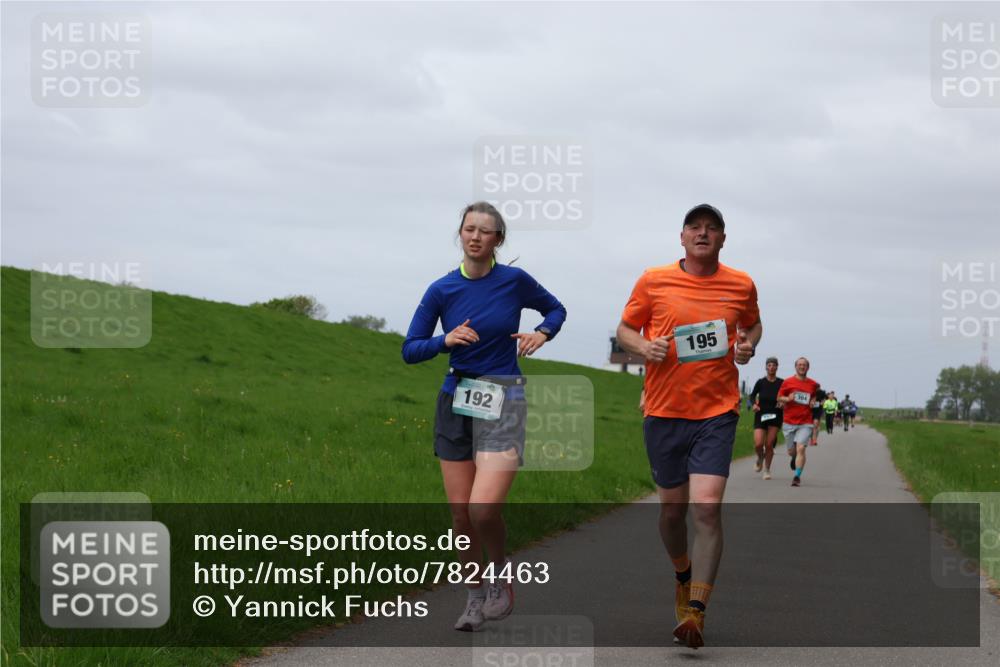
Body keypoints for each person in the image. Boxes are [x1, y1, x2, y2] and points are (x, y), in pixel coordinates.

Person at [402, 202, 567, 631]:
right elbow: (410, 348)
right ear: (460, 233)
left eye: (485, 231)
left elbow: (555, 309)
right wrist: (445, 340)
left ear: (498, 240)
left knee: (482, 509)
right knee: (460, 514)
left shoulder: (513, 281)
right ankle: (474, 598)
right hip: (455, 398)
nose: (476, 236)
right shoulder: (441, 289)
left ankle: (500, 578)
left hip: (504, 398)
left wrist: (541, 333)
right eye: (469, 229)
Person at [615, 203, 761, 649]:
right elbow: (625, 329)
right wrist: (645, 346)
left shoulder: (741, 284)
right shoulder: (654, 280)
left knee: (707, 507)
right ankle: (682, 572)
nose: (703, 234)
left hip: (717, 412)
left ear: (722, 239)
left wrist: (746, 347)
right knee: (673, 512)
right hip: (664, 411)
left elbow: (752, 327)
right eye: (695, 227)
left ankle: (695, 612)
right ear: (681, 237)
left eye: (712, 229)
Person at [777, 358, 820, 487]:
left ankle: (797, 476)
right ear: (795, 367)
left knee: (801, 448)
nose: (802, 367)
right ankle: (793, 457)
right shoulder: (787, 382)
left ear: (808, 368)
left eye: (804, 365)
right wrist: (788, 398)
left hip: (805, 421)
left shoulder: (813, 384)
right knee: (792, 451)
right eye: (800, 365)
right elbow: (779, 397)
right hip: (789, 421)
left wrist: (813, 401)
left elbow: (815, 395)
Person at [749, 357, 782, 480]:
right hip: (761, 414)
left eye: (774, 365)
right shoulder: (760, 382)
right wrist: (754, 404)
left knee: (769, 444)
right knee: (758, 444)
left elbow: (786, 396)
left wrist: (783, 402)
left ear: (777, 367)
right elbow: (752, 396)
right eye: (769, 365)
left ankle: (767, 470)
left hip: (776, 415)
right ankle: (759, 457)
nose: (771, 367)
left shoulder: (781, 383)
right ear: (766, 367)